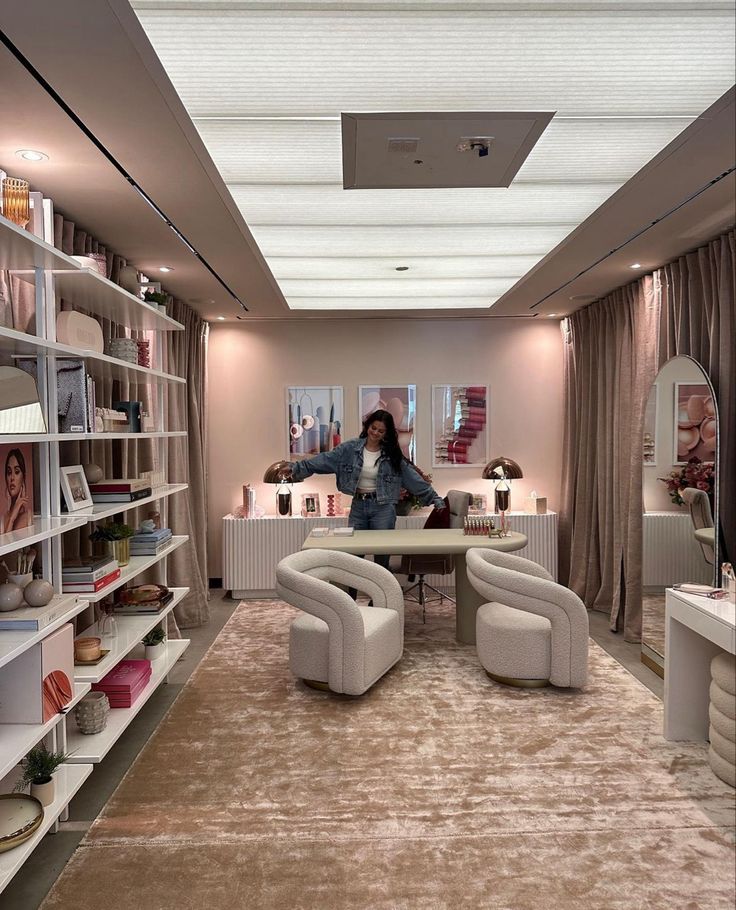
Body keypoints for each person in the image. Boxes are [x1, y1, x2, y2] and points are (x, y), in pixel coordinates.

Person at [286, 409, 446, 570]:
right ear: (368, 426)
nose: (375, 433)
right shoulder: (350, 449)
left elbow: (413, 478)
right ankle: (351, 595)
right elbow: (324, 460)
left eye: (381, 431)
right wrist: (296, 467)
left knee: (382, 555)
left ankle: (382, 594)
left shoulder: (392, 455)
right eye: (373, 428)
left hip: (383, 508)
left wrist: (434, 498)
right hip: (358, 506)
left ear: (386, 434)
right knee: (354, 556)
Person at [2, 448, 31, 534]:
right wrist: (12, 518)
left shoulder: (29, 517)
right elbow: (5, 546)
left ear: (23, 477)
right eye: (9, 472)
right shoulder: (3, 519)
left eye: (17, 472)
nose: (12, 478)